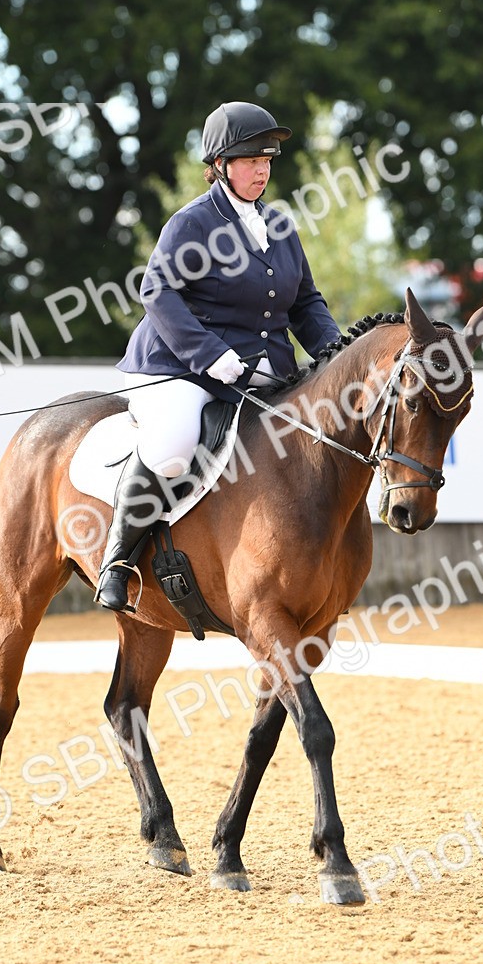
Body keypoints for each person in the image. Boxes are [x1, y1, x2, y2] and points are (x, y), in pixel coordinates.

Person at [96, 100, 343, 611]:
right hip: (181, 367)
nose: (262, 170)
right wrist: (211, 355)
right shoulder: (192, 223)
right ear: (221, 164)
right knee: (174, 443)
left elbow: (306, 303)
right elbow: (158, 291)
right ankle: (117, 561)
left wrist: (336, 355)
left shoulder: (278, 225)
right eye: (252, 160)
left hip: (260, 371)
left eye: (268, 160)